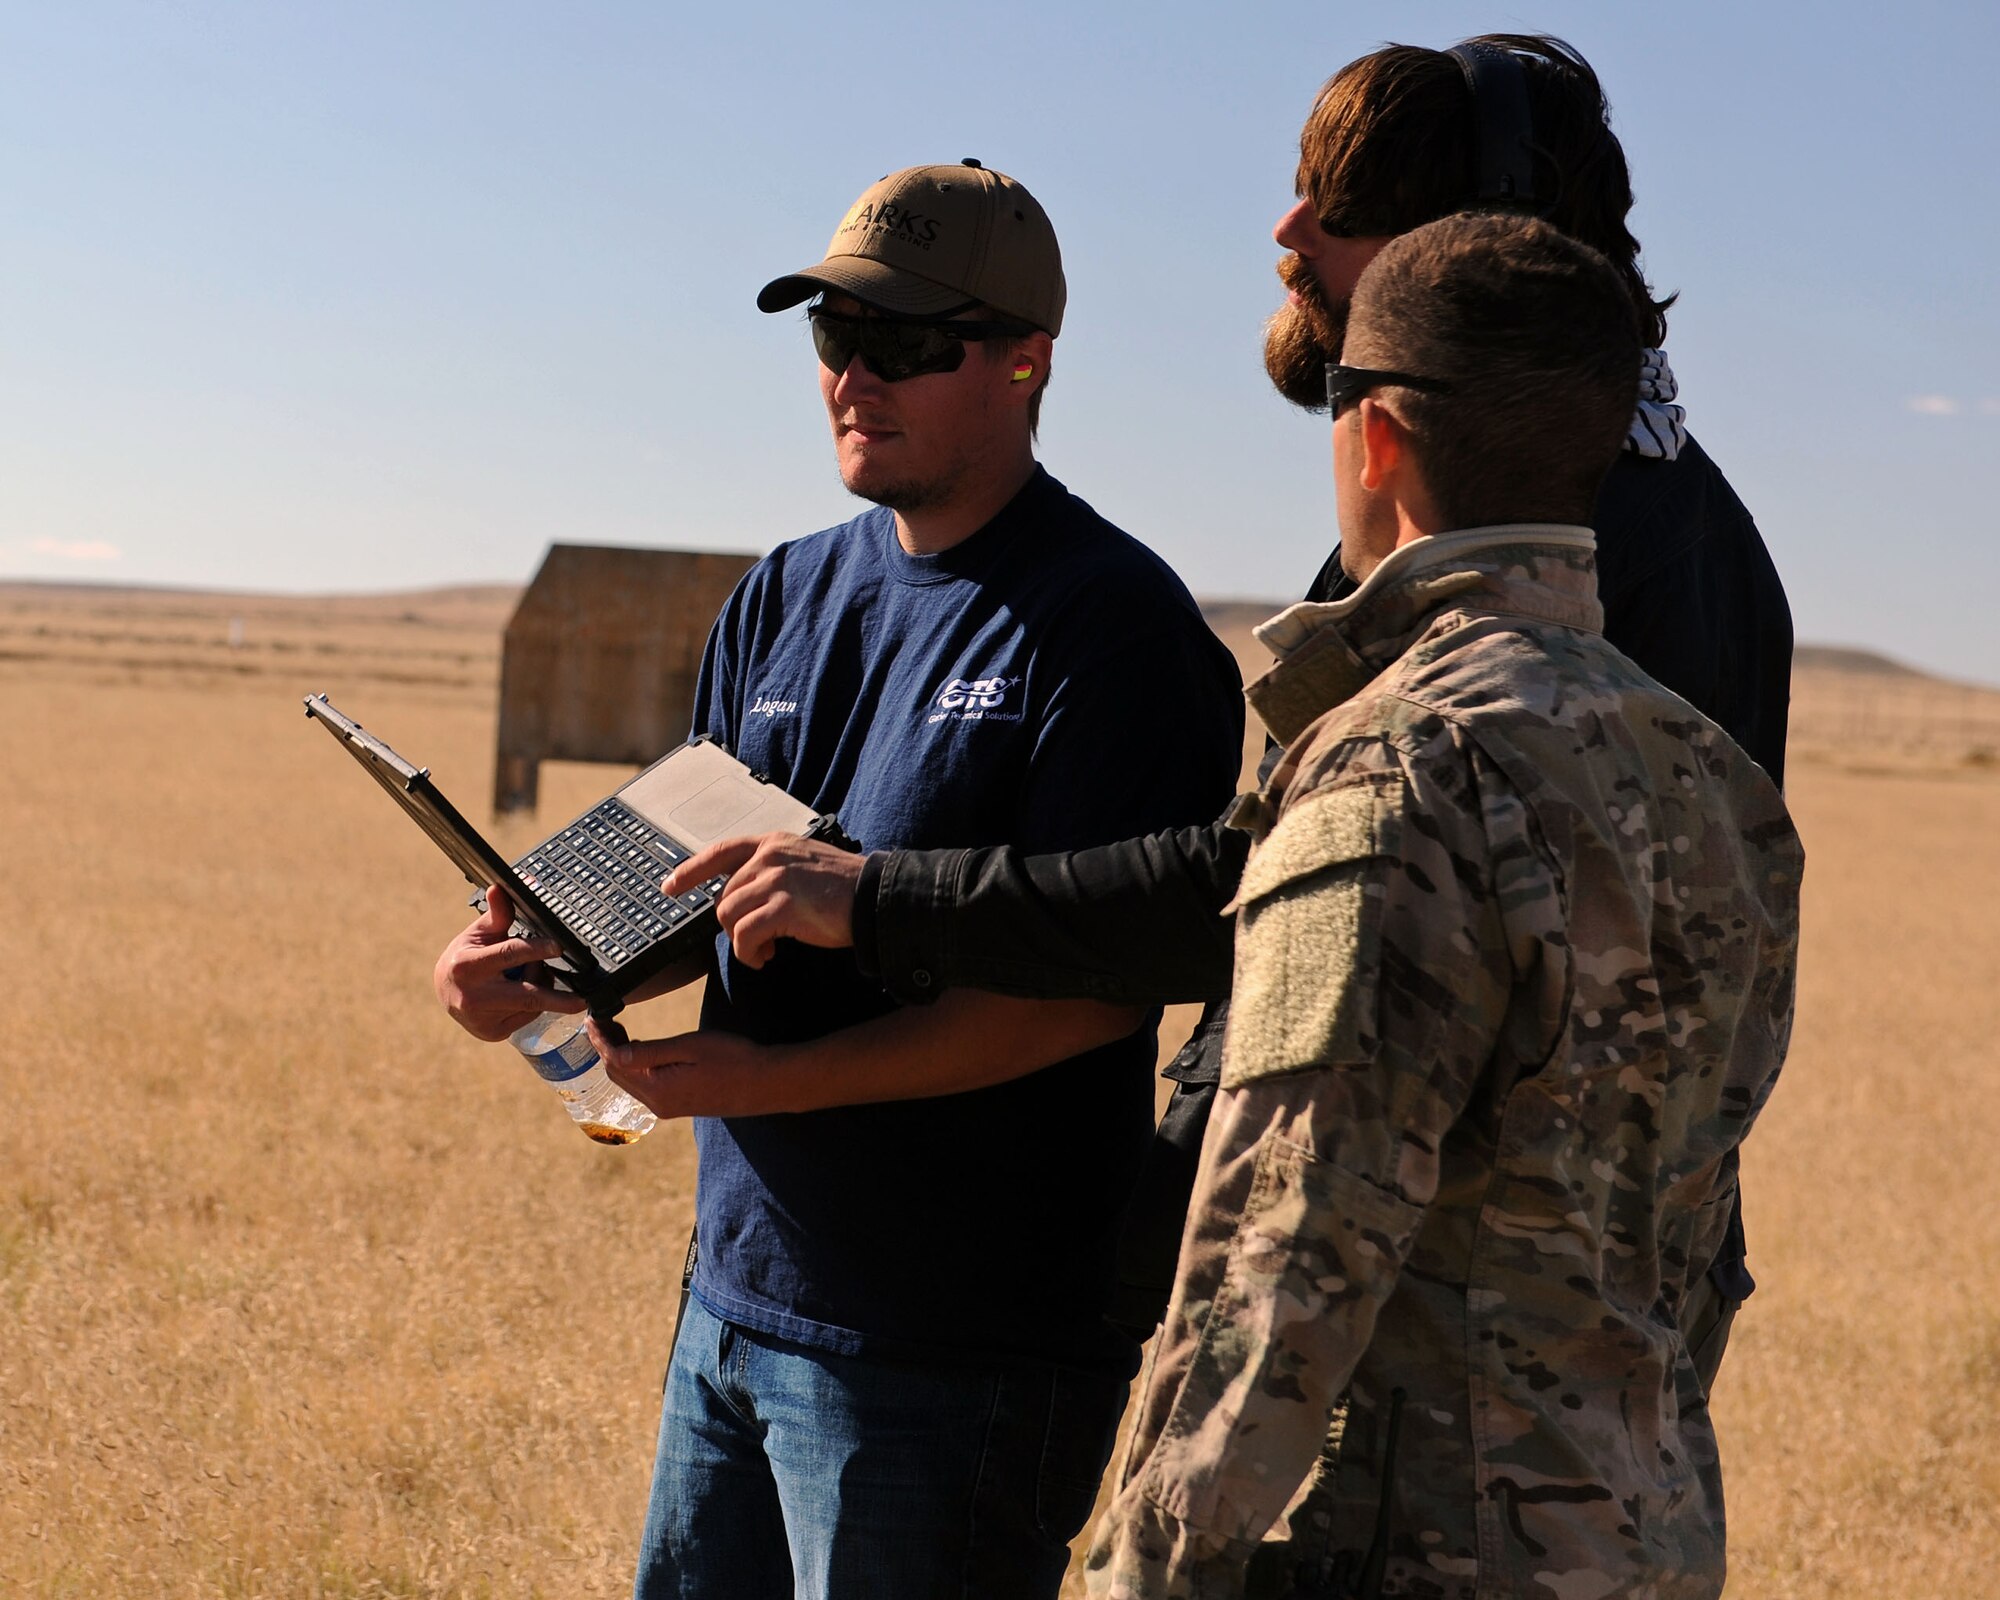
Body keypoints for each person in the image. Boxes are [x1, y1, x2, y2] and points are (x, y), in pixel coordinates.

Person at [656, 34, 1791, 1386]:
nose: (1289, 231)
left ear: (1492, 245)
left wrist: (879, 901)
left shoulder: (1611, 563)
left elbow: (1254, 894)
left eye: (1351, 206)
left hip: (1469, 1349)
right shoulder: (1540, 516)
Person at [434, 159, 1245, 1600]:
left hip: (952, 1354)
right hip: (738, 1305)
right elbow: (671, 886)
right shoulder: (787, 593)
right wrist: (527, 968)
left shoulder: (1116, 630)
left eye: (907, 344)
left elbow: (1083, 1010)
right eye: (831, 337)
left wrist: (750, 1080)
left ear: (1024, 360)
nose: (854, 378)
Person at [1085, 210, 1802, 1600]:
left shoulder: (1398, 763)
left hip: (1421, 1547)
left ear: (1378, 439)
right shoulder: (1713, 774)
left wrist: (1145, 1567)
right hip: (1646, 1542)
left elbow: (1281, 1249)